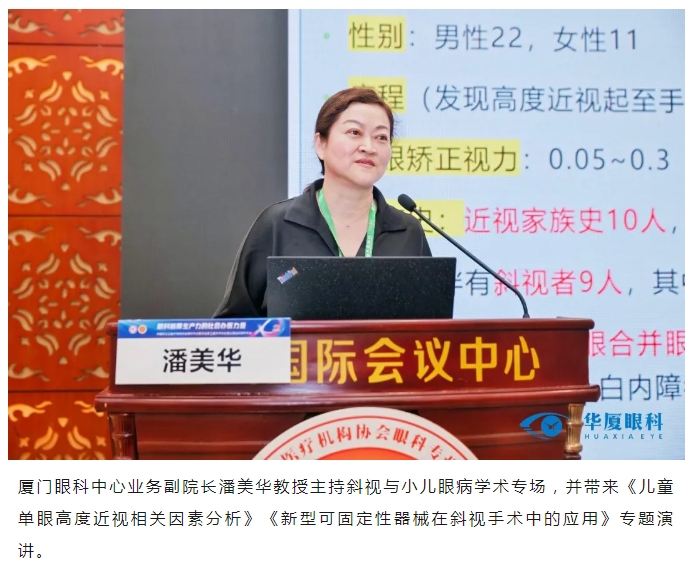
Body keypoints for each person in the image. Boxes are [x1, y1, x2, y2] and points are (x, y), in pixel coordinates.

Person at [213, 87, 432, 318]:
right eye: (355, 132)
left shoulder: (408, 232)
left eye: (381, 137)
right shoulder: (278, 225)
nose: (369, 147)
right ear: (320, 144)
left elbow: (431, 327)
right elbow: (233, 324)